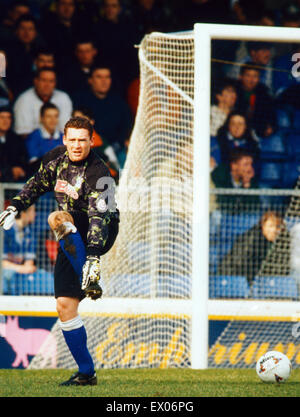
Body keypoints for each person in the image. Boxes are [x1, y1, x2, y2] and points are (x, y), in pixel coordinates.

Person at [0, 116, 119, 386]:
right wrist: (15, 206)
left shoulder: (101, 173)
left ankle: (90, 275)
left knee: (55, 217)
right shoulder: (55, 158)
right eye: (72, 139)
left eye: (82, 140)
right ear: (65, 140)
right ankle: (87, 373)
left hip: (101, 230)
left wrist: (92, 257)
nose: (77, 145)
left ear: (91, 140)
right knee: (64, 306)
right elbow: (37, 183)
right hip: (71, 236)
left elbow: (101, 219)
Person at [72, 64, 133, 166]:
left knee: (126, 162)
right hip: (88, 147)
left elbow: (126, 129)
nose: (104, 81)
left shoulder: (119, 102)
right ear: (90, 80)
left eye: (107, 77)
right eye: (99, 77)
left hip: (116, 149)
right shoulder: (79, 100)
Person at [217, 211, 284, 284]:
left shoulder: (279, 242)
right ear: (263, 226)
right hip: (232, 277)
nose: (274, 230)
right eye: (270, 226)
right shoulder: (251, 240)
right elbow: (240, 264)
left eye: (278, 226)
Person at [13, 67, 72, 137]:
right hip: (33, 144)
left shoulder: (63, 98)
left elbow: (66, 130)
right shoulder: (23, 100)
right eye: (43, 80)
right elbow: (23, 133)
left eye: (51, 81)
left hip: (59, 143)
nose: (47, 85)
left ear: (55, 83)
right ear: (36, 81)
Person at [211, 148, 260, 213]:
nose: (250, 168)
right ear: (234, 166)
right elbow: (224, 204)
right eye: (246, 164)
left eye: (251, 164)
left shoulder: (251, 178)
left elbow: (254, 207)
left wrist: (247, 185)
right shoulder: (220, 175)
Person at [2, 204, 37, 295]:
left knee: (43, 276)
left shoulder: (29, 233)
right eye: (33, 211)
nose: (35, 214)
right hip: (8, 271)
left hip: (19, 270)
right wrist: (21, 268)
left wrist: (24, 268)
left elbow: (29, 264)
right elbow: (2, 263)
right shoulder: (5, 231)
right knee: (8, 275)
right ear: (23, 213)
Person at [235, 63, 276, 138]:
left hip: (258, 130)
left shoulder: (263, 92)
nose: (251, 80)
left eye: (255, 76)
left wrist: (270, 126)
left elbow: (271, 113)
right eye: (248, 75)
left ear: (259, 78)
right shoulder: (234, 92)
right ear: (240, 77)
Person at [26, 102, 63, 175]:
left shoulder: (63, 136)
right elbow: (34, 164)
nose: (53, 120)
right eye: (49, 116)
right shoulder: (33, 137)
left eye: (56, 116)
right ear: (41, 118)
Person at [0, 106, 28, 182]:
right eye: (2, 117)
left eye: (8, 118)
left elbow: (23, 161)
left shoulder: (16, 140)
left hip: (13, 182)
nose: (5, 121)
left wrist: (19, 169)